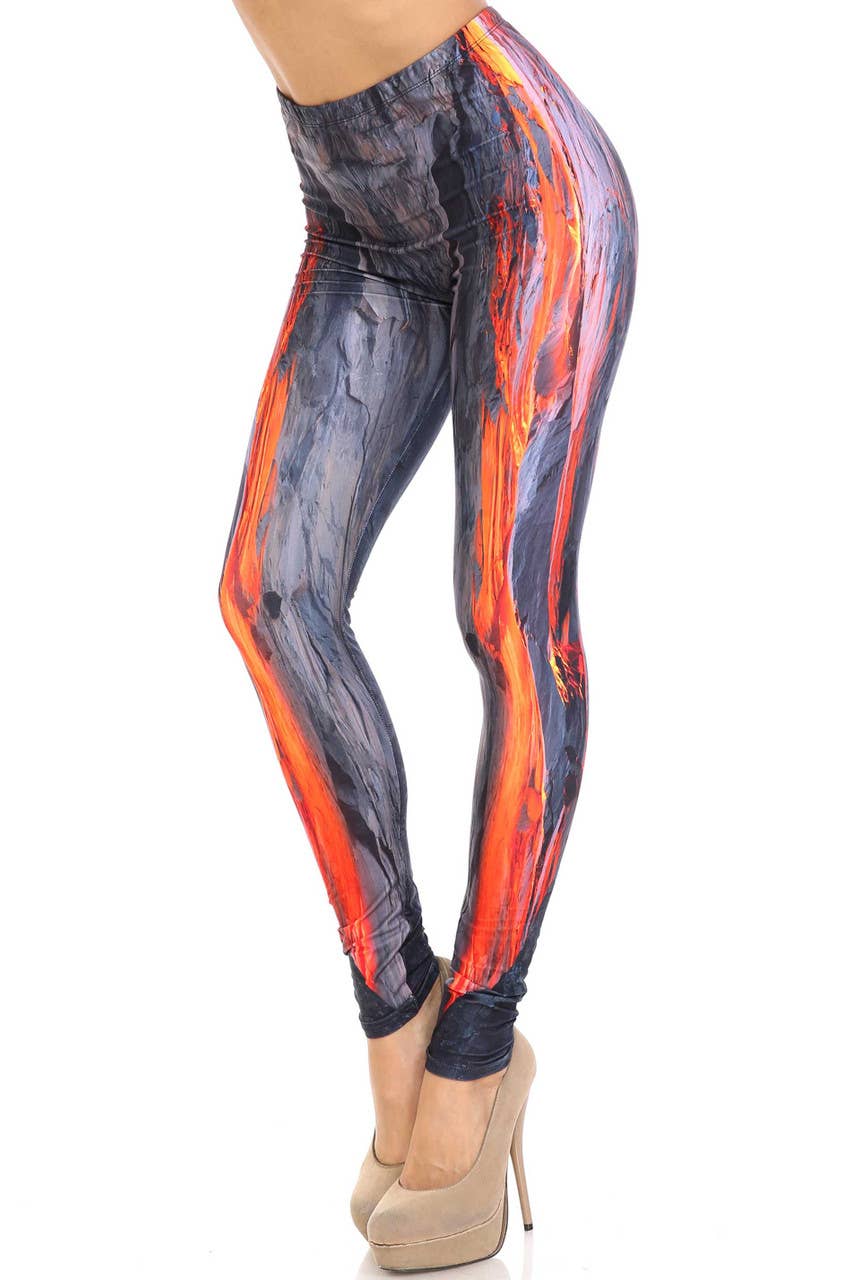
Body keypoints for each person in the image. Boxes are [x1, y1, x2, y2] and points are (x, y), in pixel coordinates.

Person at [219, 0, 638, 1266]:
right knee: (271, 593)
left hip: (523, 177)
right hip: (352, 205)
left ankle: (479, 1042)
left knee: (507, 610)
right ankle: (398, 1003)